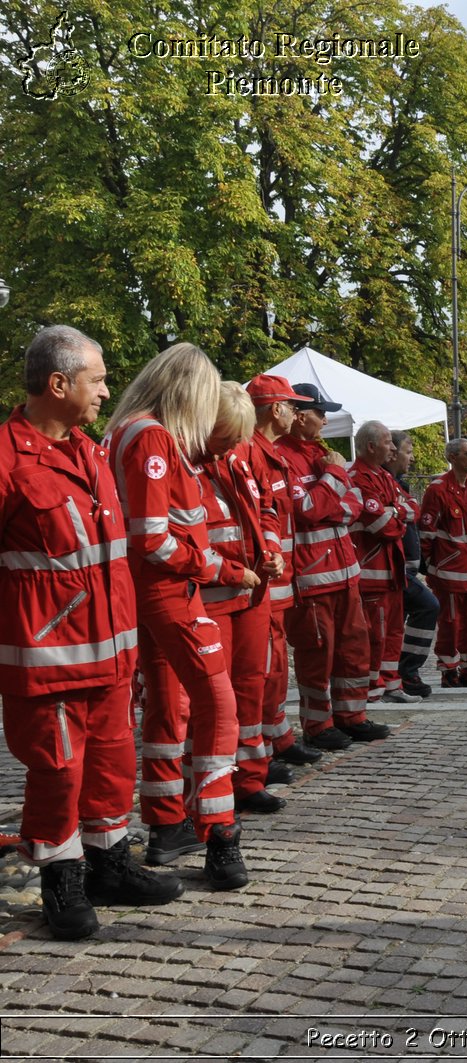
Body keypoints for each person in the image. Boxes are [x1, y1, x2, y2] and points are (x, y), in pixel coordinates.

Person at [0, 325, 182, 939]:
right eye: (97, 379)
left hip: (111, 656)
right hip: (48, 662)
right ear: (59, 384)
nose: (108, 391)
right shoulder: (5, 458)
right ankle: (61, 880)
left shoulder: (92, 452)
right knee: (58, 774)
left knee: (111, 765)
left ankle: (109, 864)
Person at [106, 343, 250, 889]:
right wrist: (221, 569)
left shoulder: (128, 431)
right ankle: (219, 833)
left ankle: (167, 824)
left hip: (144, 593)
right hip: (168, 592)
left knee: (169, 709)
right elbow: (154, 538)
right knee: (218, 704)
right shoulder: (153, 438)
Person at [276, 383, 389, 748]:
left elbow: (352, 506)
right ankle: (318, 725)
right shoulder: (283, 457)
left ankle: (352, 716)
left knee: (355, 649)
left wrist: (330, 502)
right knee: (317, 654)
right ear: (299, 415)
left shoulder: (325, 453)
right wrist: (333, 481)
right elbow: (306, 511)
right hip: (311, 579)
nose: (325, 420)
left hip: (345, 573)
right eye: (321, 413)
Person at [198, 383, 283, 815]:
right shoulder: (190, 460)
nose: (234, 443)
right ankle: (217, 785)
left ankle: (250, 779)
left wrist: (271, 549)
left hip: (251, 592)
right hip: (211, 595)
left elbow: (266, 506)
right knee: (218, 698)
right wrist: (236, 569)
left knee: (253, 687)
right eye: (229, 434)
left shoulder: (241, 456)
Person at [242, 375, 323, 764]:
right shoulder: (252, 453)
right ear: (275, 409)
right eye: (291, 406)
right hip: (264, 584)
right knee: (264, 668)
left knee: (275, 667)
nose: (296, 412)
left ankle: (277, 739)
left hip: (279, 582)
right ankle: (263, 748)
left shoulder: (267, 452)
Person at [348, 420, 420, 704]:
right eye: (389, 442)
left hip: (391, 571)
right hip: (371, 573)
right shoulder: (357, 477)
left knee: (393, 631)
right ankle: (372, 688)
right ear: (371, 445)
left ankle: (391, 684)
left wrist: (395, 511)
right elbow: (382, 526)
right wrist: (397, 514)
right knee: (373, 636)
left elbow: (413, 508)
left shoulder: (383, 477)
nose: (392, 448)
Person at [420, 438, 467, 688]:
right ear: (452, 458)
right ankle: (449, 670)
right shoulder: (437, 489)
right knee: (451, 623)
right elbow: (427, 533)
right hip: (450, 572)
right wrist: (431, 566)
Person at [383, 430, 436, 698]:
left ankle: (399, 673)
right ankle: (405, 671)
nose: (412, 458)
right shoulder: (385, 482)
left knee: (397, 625)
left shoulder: (399, 483)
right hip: (393, 571)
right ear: (392, 453)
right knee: (427, 606)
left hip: (407, 570)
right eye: (409, 452)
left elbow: (411, 514)